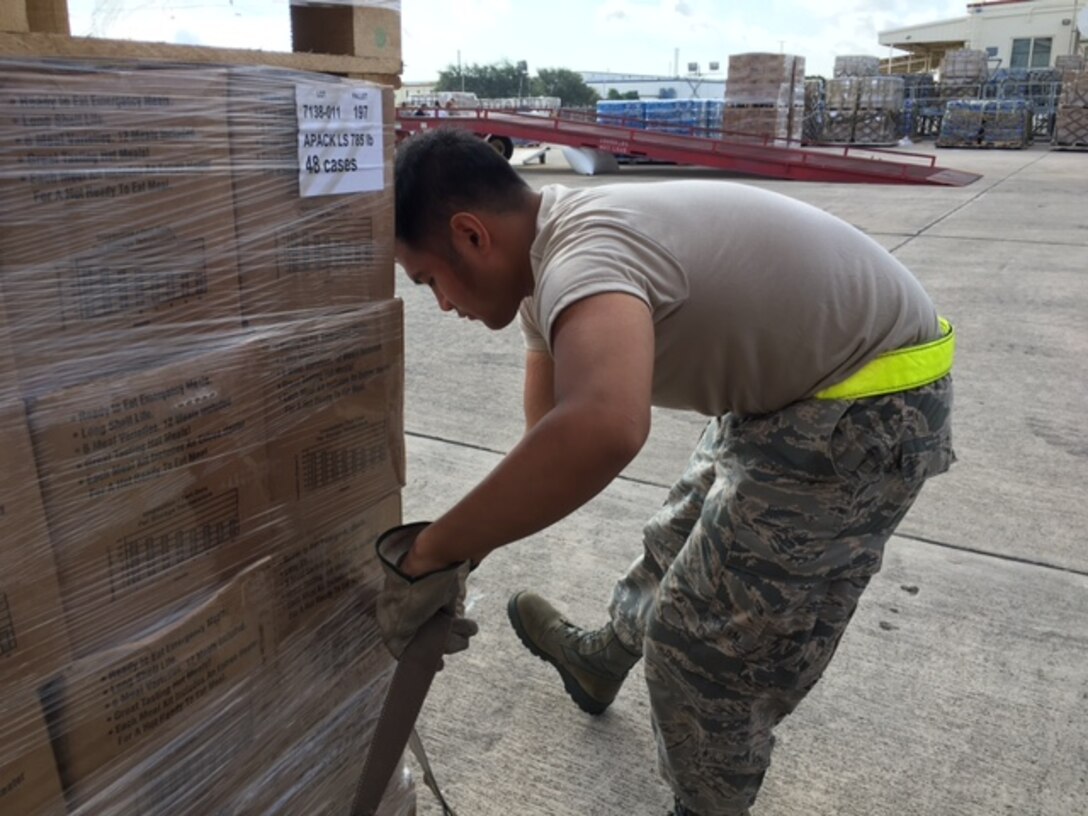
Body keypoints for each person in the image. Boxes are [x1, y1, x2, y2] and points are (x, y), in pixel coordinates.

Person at [388, 127, 955, 816]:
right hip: (794, 389)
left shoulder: (584, 258)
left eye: (428, 281)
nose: (442, 304)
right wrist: (462, 556)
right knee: (677, 540)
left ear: (472, 236)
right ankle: (601, 662)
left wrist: (424, 555)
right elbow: (548, 443)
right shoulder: (545, 262)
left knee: (709, 650)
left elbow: (604, 429)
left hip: (866, 404)